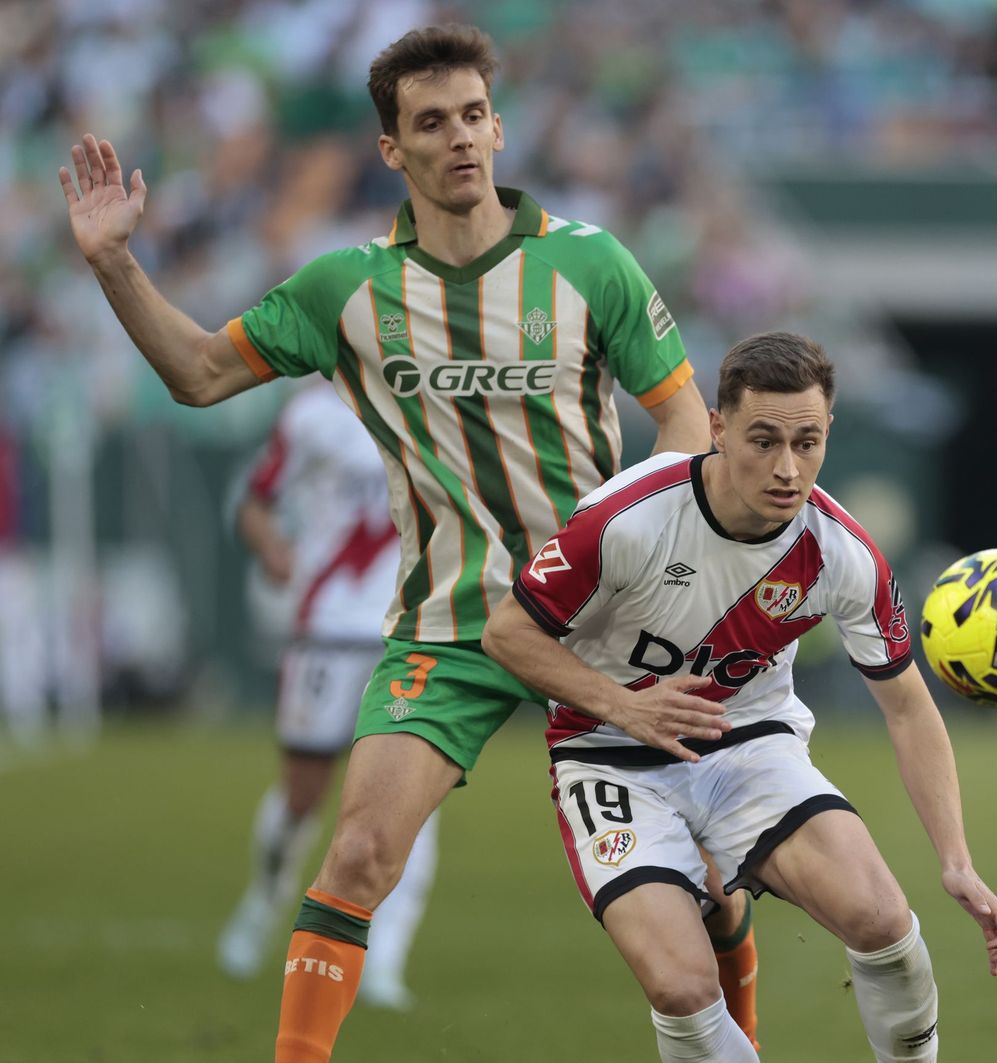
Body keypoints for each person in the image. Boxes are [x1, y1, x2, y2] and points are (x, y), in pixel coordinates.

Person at [58, 24, 757, 1063]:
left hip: (607, 614)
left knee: (709, 877)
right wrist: (115, 264)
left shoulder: (589, 263)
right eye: (432, 122)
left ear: (499, 125)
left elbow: (688, 426)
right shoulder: (346, 290)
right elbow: (199, 375)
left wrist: (655, 562)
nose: (461, 138)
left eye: (474, 115)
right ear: (393, 149)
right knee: (358, 853)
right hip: (454, 617)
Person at [481, 331, 997, 1062]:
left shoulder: (843, 553)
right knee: (681, 987)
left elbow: (908, 706)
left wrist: (956, 857)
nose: (787, 467)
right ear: (717, 426)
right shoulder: (627, 520)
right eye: (763, 440)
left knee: (885, 920)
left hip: (747, 741)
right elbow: (507, 634)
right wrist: (626, 704)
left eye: (807, 441)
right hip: (607, 755)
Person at [216, 380, 436, 1012]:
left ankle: (386, 962)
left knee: (413, 801)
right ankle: (261, 904)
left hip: (412, 630)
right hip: (326, 629)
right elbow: (254, 501)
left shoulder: (440, 402)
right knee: (301, 796)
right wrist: (274, 548)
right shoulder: (312, 414)